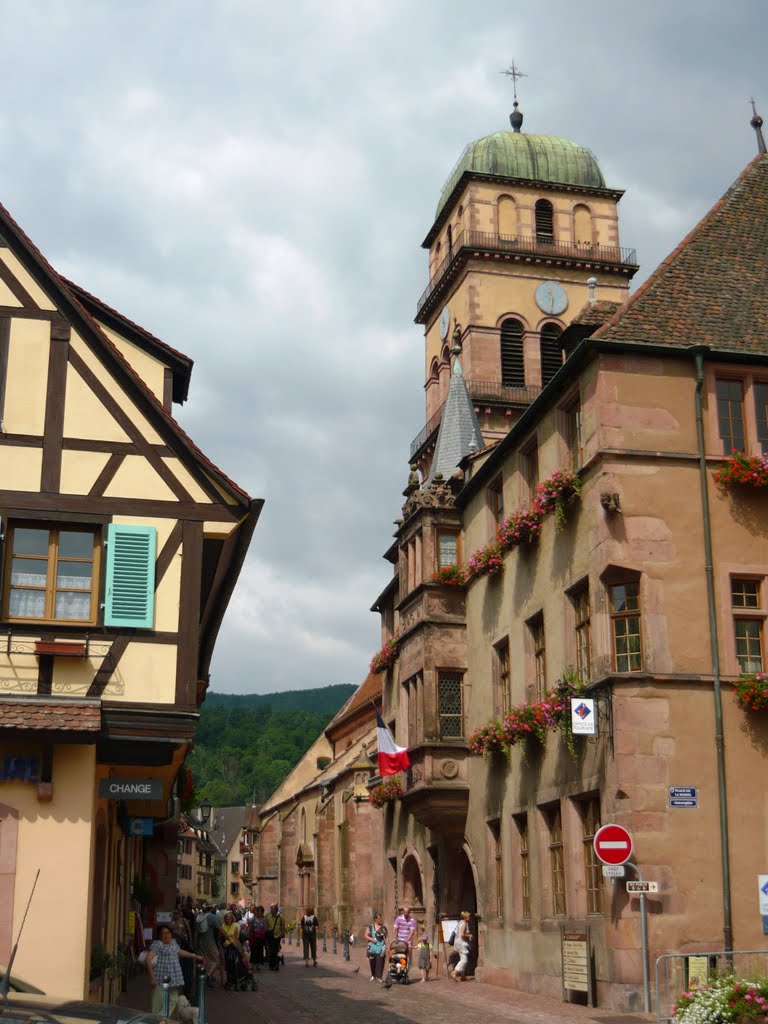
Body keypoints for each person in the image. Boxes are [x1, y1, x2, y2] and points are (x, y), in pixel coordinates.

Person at [146, 924, 203, 1017]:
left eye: (168, 933)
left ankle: (159, 1019)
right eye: (163, 934)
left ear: (171, 934)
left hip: (173, 980)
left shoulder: (173, 942)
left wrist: (195, 956)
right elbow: (148, 960)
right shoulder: (158, 944)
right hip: (160, 980)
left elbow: (180, 952)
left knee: (174, 999)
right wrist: (152, 978)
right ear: (160, 936)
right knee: (157, 1006)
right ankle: (157, 1019)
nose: (166, 935)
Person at [195, 903, 223, 987]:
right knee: (216, 959)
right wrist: (229, 938)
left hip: (200, 942)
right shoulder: (212, 916)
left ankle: (202, 977)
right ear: (212, 907)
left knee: (205, 961)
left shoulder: (200, 916)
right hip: (210, 942)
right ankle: (208, 976)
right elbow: (220, 929)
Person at [170, 909, 194, 997]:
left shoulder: (184, 921)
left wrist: (190, 942)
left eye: (177, 913)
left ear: (180, 914)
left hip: (184, 942)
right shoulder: (172, 922)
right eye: (174, 914)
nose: (175, 915)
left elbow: (189, 931)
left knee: (184, 960)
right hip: (175, 942)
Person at [364, 913, 388, 982]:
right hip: (372, 948)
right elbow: (365, 935)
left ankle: (379, 977)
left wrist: (387, 946)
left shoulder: (383, 928)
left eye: (381, 918)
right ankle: (373, 975)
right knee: (372, 962)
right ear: (375, 919)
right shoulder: (370, 927)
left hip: (381, 948)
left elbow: (386, 937)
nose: (381, 919)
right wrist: (371, 939)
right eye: (379, 918)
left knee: (380, 962)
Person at [221, 911, 241, 989]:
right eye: (226, 918)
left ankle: (233, 981)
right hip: (224, 948)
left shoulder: (235, 927)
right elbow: (220, 937)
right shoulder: (222, 926)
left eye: (229, 918)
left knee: (232, 965)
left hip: (232, 948)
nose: (227, 920)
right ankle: (228, 981)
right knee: (227, 966)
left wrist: (233, 944)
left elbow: (236, 939)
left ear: (232, 919)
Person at [450, 911, 472, 982]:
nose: (470, 917)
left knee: (463, 958)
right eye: (469, 916)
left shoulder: (461, 922)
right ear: (465, 917)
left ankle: (463, 976)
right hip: (461, 943)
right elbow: (462, 934)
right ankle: (455, 972)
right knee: (464, 960)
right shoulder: (464, 924)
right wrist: (469, 935)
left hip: (459, 942)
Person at [264, 901, 285, 971]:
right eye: (271, 909)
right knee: (270, 950)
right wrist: (266, 930)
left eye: (273, 910)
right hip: (270, 935)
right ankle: (272, 964)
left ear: (276, 910)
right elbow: (265, 924)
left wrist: (282, 932)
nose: (272, 911)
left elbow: (283, 925)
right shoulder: (267, 916)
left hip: (277, 936)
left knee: (275, 950)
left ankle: (275, 965)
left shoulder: (280, 917)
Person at [248, 905, 267, 969]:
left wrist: (262, 934)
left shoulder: (264, 919)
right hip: (254, 937)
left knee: (259, 951)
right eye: (258, 911)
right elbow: (250, 927)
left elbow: (265, 928)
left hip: (260, 937)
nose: (259, 913)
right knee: (253, 950)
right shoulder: (253, 918)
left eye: (260, 911)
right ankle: (253, 964)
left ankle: (257, 965)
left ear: (262, 912)